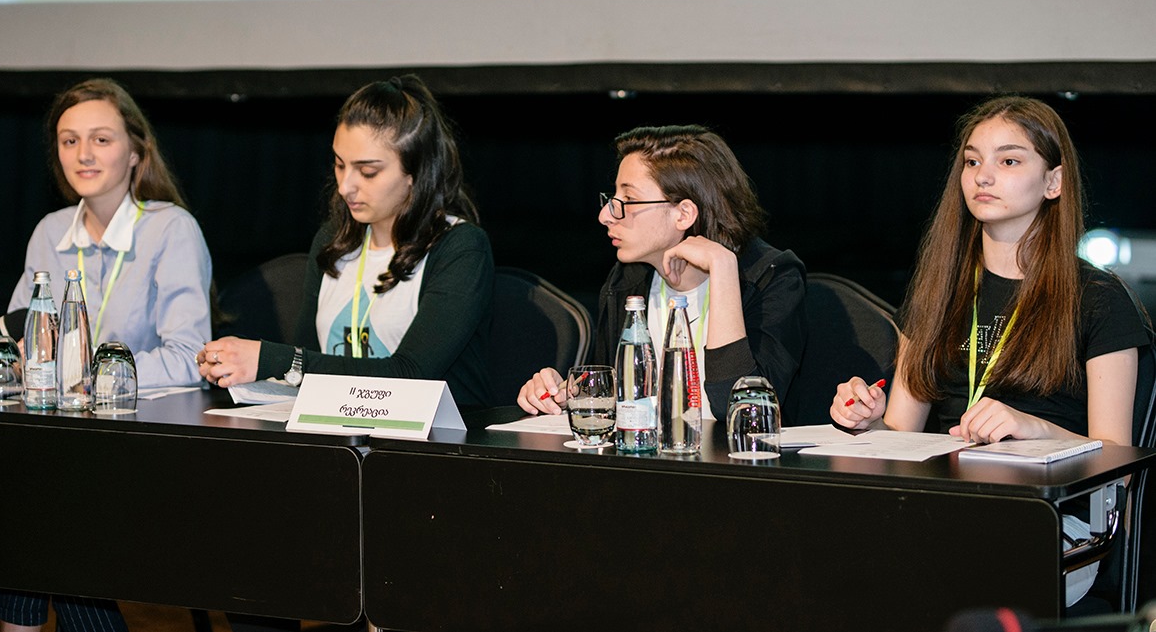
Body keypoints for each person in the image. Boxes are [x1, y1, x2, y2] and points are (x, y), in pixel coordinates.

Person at [829, 95, 1147, 609]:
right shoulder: (939, 290)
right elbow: (901, 434)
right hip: (943, 503)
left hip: (1050, 517)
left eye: (1009, 160)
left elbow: (1119, 461)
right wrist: (868, 419)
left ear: (1053, 183)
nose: (983, 176)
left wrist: (1035, 428)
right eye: (972, 161)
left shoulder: (1099, 299)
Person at [0, 76, 213, 632]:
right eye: (70, 141)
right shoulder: (50, 232)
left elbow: (191, 357)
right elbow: (22, 344)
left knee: (45, 499)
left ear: (135, 152)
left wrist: (92, 375)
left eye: (101, 139)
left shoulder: (171, 229)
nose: (83, 154)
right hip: (62, 442)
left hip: (140, 440)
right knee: (36, 486)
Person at [200, 73, 493, 409]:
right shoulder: (334, 240)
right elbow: (311, 360)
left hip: (435, 435)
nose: (345, 186)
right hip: (342, 427)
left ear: (416, 173)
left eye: (368, 172)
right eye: (340, 165)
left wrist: (275, 360)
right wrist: (248, 367)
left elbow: (411, 374)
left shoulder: (459, 247)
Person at [516, 124, 807, 421]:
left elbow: (745, 414)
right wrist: (568, 393)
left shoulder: (773, 278)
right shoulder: (627, 279)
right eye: (612, 197)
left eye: (628, 200)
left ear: (683, 214)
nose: (605, 215)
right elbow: (617, 398)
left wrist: (723, 270)